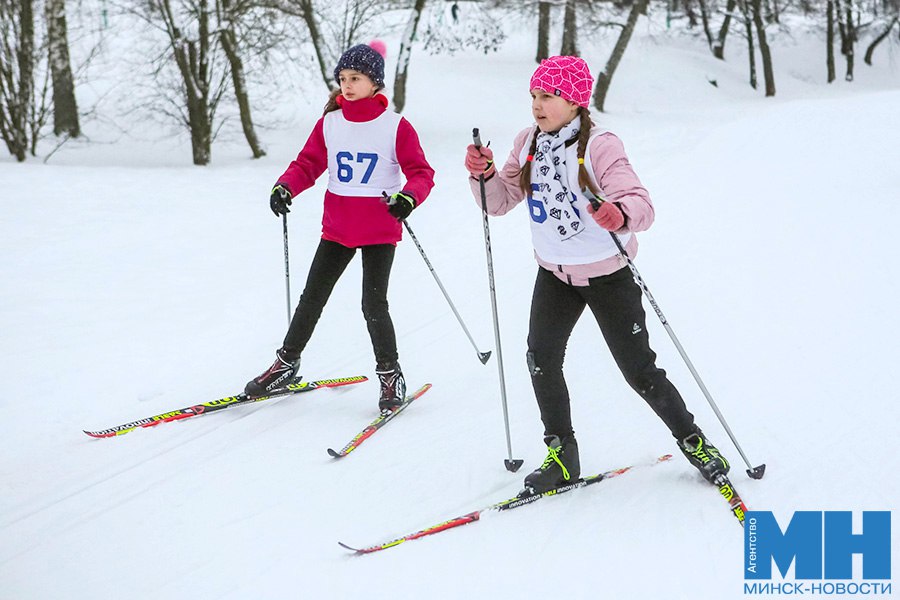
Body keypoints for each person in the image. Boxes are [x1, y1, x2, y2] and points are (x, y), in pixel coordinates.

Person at [463, 56, 730, 492]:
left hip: (607, 275)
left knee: (639, 371)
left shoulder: (601, 145)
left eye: (547, 96)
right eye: (533, 95)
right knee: (541, 359)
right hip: (554, 273)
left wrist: (618, 213)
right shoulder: (526, 141)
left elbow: (640, 204)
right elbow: (499, 201)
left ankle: (695, 441)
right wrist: (485, 174)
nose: (536, 104)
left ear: (574, 101)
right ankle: (562, 457)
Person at [246, 41, 435, 412]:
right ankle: (286, 364)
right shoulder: (330, 123)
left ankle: (390, 375)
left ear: (375, 83)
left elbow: (421, 173)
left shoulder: (395, 126)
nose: (347, 85)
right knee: (312, 296)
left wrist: (409, 197)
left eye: (356, 78)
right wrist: (286, 186)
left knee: (373, 303)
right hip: (337, 228)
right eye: (343, 78)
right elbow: (308, 163)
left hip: (380, 230)